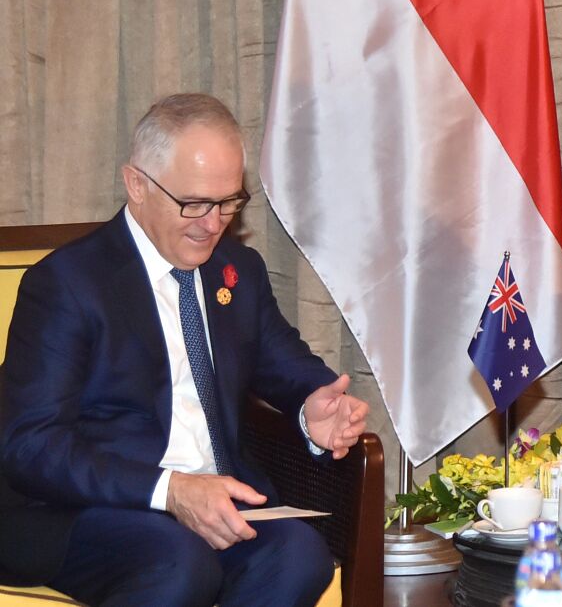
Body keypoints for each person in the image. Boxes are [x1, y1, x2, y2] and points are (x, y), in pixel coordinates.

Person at [0, 93, 370, 607]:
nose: (213, 223)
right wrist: (169, 490)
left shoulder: (237, 272)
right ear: (137, 186)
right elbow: (29, 444)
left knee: (299, 554)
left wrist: (313, 408)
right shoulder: (68, 284)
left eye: (229, 202)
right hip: (88, 511)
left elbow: (284, 362)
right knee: (180, 562)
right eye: (194, 203)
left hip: (216, 503)